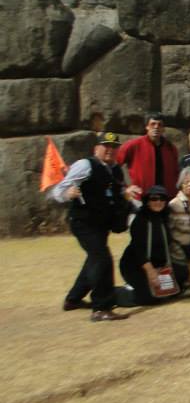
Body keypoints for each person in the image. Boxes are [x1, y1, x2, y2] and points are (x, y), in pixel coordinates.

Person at [48, 131, 139, 321]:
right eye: (106, 146)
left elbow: (117, 190)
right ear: (96, 148)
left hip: (101, 224)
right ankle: (101, 308)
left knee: (94, 259)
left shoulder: (115, 169)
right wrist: (67, 194)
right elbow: (58, 190)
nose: (110, 150)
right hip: (83, 222)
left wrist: (127, 193)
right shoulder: (85, 165)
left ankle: (73, 299)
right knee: (102, 259)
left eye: (114, 147)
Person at [116, 185, 188, 306]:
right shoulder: (140, 220)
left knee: (176, 286)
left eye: (162, 199)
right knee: (150, 297)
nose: (158, 202)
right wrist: (151, 271)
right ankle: (114, 294)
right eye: (154, 199)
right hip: (136, 265)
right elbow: (138, 250)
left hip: (159, 264)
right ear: (147, 201)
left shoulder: (164, 218)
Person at [116, 111, 179, 196]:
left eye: (160, 125)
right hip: (141, 197)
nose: (156, 127)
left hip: (165, 198)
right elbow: (114, 164)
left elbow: (176, 174)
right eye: (153, 124)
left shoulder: (171, 148)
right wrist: (125, 188)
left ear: (163, 129)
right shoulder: (134, 145)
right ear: (147, 127)